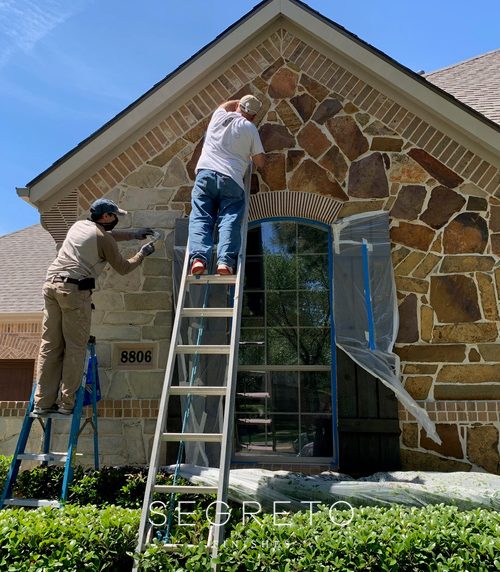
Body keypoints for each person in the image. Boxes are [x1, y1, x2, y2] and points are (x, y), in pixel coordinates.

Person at [33, 198, 155, 415]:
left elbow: (106, 235)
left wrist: (133, 234)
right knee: (74, 348)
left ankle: (42, 402)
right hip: (73, 291)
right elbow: (123, 267)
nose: (117, 219)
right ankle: (67, 403)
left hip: (50, 286)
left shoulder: (79, 225)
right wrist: (142, 253)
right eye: (115, 215)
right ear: (106, 216)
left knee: (50, 347)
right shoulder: (103, 238)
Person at [189, 94, 266, 275]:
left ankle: (199, 259)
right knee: (229, 219)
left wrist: (237, 102)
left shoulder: (219, 116)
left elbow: (223, 105)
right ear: (254, 116)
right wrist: (251, 153)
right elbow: (260, 162)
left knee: (201, 217)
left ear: (238, 106)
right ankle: (224, 262)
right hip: (231, 179)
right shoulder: (250, 128)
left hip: (205, 174)